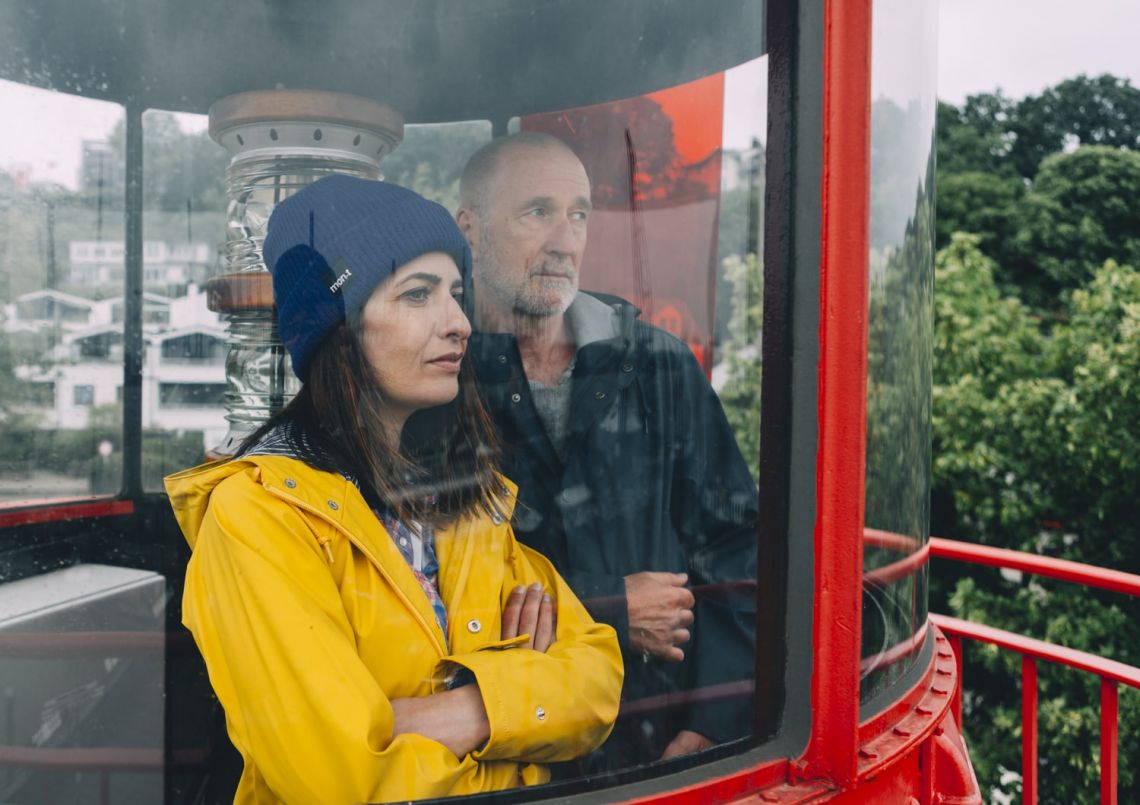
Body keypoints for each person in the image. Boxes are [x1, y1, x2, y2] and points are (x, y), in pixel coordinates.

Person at [165, 174, 622, 804]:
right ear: (339, 329)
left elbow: (597, 682)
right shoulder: (260, 516)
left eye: (457, 294)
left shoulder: (465, 497)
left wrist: (457, 713)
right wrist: (525, 716)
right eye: (417, 295)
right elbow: (348, 782)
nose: (459, 322)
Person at [457, 132, 759, 768]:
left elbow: (736, 549)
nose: (565, 240)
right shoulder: (440, 375)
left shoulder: (657, 365)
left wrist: (712, 722)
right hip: (506, 755)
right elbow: (424, 581)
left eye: (579, 214)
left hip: (659, 743)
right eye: (536, 211)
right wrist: (613, 607)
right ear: (471, 230)